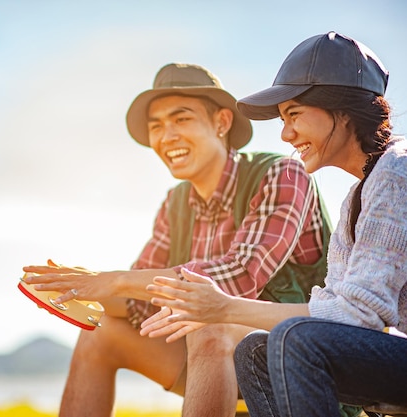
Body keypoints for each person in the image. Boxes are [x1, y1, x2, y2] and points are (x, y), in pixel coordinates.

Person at [22, 63, 332, 417]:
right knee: (100, 333)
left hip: (298, 361)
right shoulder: (174, 204)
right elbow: (141, 304)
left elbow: (240, 277)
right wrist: (76, 288)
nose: (166, 136)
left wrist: (116, 280)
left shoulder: (281, 173)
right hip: (212, 357)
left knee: (209, 320)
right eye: (157, 126)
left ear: (221, 123)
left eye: (181, 119)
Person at [140, 32, 407, 417]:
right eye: (283, 119)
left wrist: (225, 307)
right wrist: (222, 308)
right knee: (256, 350)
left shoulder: (396, 171)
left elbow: (359, 317)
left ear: (342, 109)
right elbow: (335, 306)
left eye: (294, 115)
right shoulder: (357, 197)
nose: (285, 134)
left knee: (295, 339)